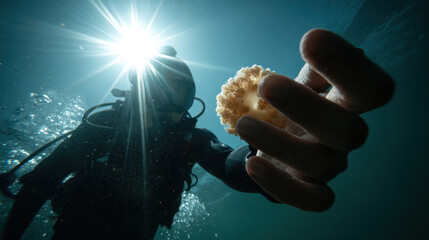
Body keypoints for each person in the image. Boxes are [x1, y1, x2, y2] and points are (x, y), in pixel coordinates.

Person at [2, 29, 394, 239]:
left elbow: (230, 165)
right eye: (158, 88)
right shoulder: (100, 127)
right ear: (138, 91)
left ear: (191, 98)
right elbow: (40, 185)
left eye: (182, 90)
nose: (170, 100)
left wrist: (268, 160)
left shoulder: (191, 138)